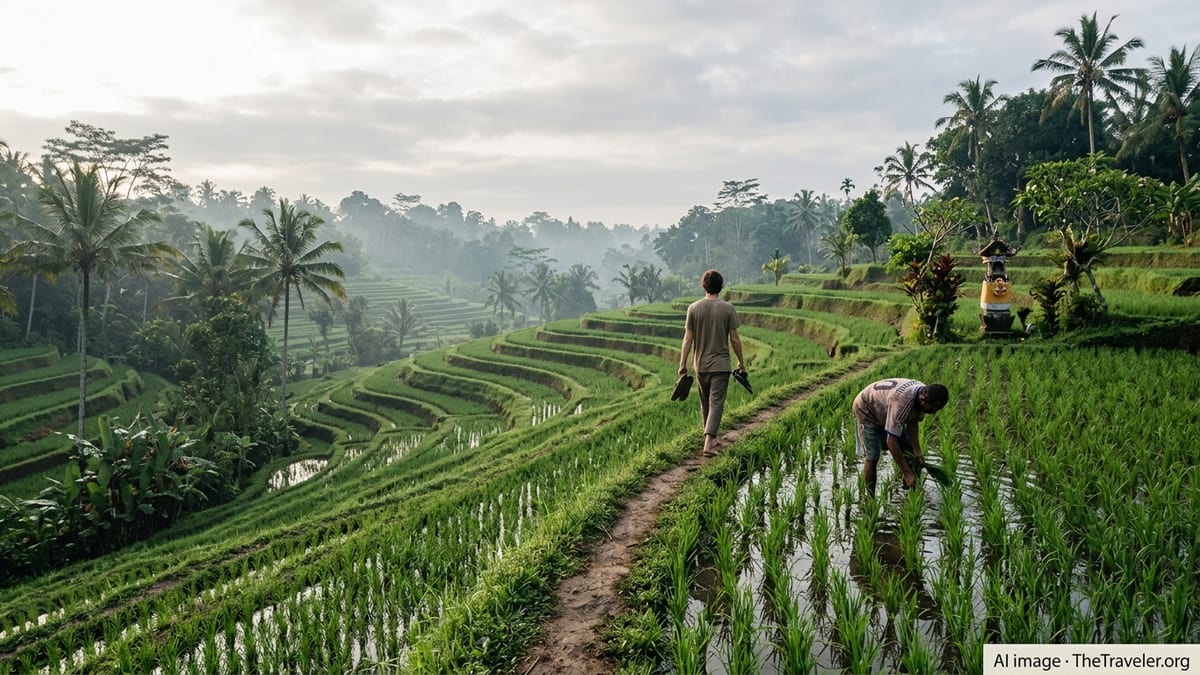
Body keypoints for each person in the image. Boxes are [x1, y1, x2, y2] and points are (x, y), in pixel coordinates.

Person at [678, 269, 746, 457]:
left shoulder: (693, 308)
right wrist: (741, 362)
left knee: (706, 402)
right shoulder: (728, 309)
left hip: (700, 364)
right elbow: (734, 339)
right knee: (716, 403)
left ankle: (711, 438)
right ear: (721, 286)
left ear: (704, 285)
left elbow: (687, 339)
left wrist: (682, 364)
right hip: (721, 364)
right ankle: (709, 443)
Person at [852, 378, 949, 496]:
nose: (933, 412)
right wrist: (907, 472)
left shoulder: (923, 393)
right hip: (867, 410)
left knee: (909, 450)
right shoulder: (902, 402)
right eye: (932, 409)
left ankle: (911, 490)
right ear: (922, 399)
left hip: (886, 407)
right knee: (873, 457)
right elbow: (891, 441)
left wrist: (917, 450)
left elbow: (912, 420)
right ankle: (870, 498)